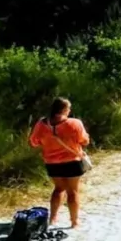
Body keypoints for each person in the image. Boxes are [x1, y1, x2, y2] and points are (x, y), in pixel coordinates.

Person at [30, 97, 90, 229]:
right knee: (73, 192)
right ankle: (74, 222)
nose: (69, 111)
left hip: (52, 162)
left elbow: (33, 142)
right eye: (69, 109)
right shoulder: (74, 123)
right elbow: (84, 141)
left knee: (58, 189)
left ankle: (53, 218)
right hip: (72, 161)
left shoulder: (41, 124)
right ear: (64, 110)